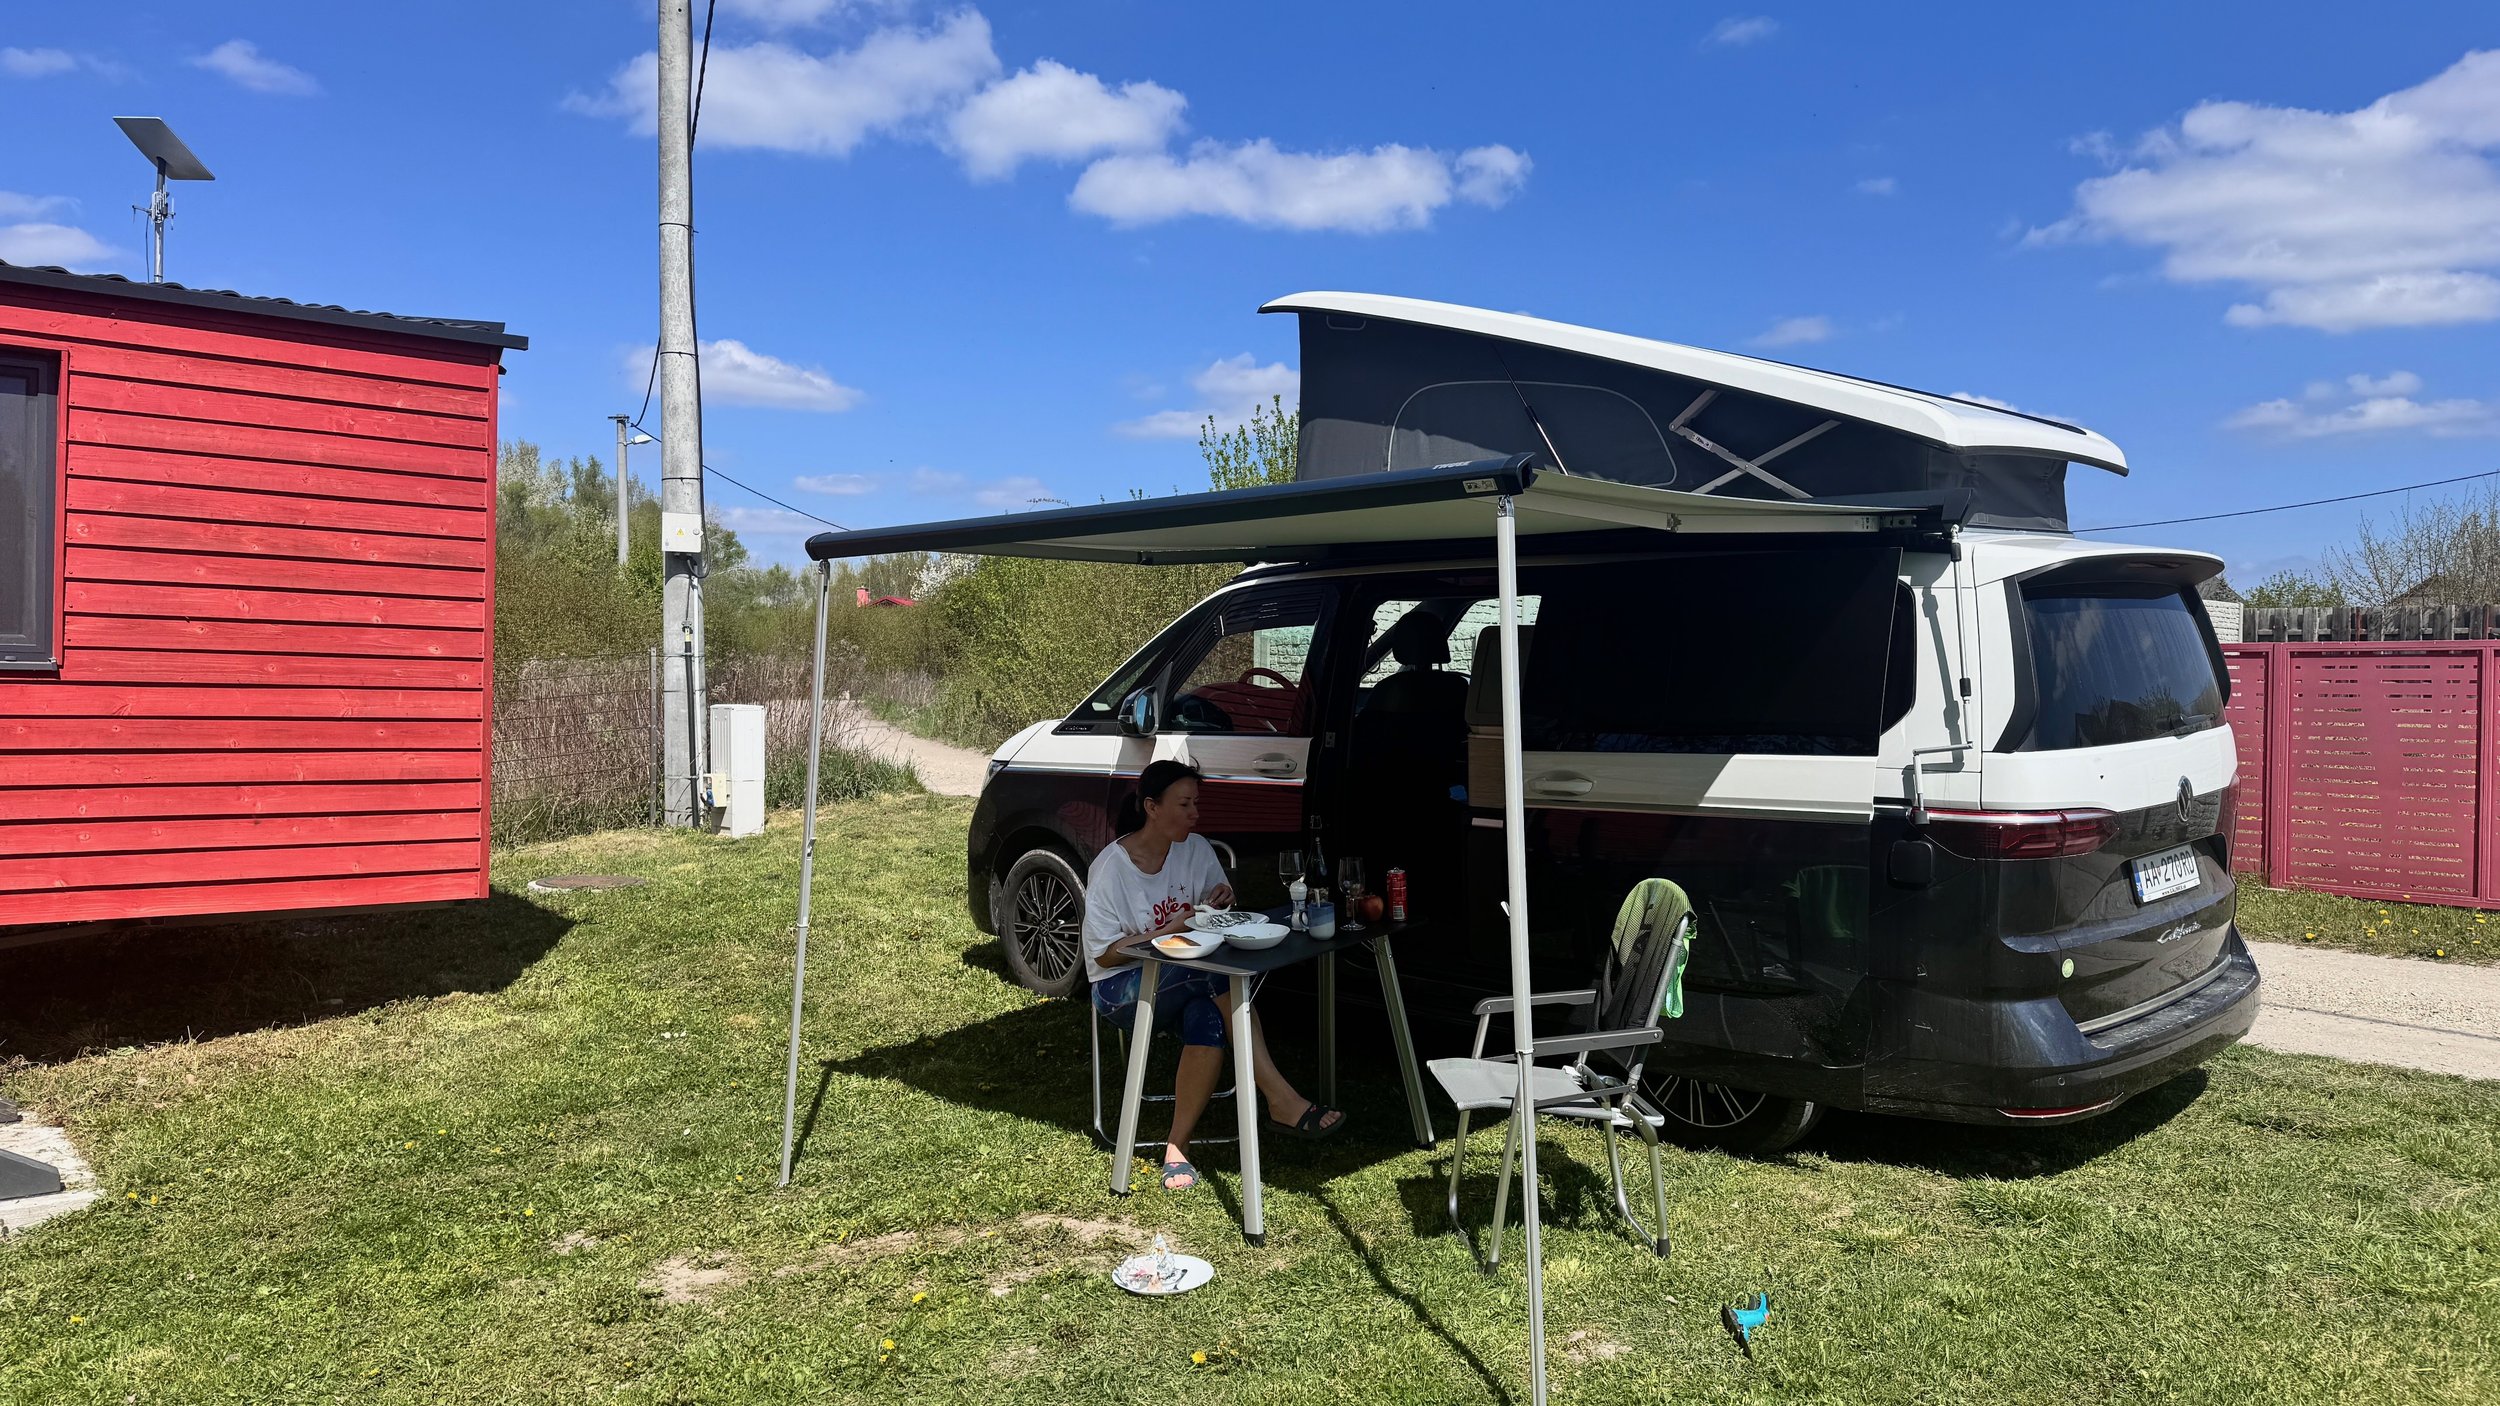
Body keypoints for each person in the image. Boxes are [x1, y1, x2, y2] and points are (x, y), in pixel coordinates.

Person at [1084, 758, 1345, 1192]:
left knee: (1208, 1016)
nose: (1195, 814)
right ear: (1151, 807)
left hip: (1189, 976)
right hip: (1121, 989)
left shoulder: (1196, 848)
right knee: (1219, 978)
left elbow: (1213, 916)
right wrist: (1166, 931)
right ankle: (1280, 1099)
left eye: (1195, 803)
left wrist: (1220, 900)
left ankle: (1176, 1148)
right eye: (1184, 804)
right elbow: (1105, 957)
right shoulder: (1112, 869)